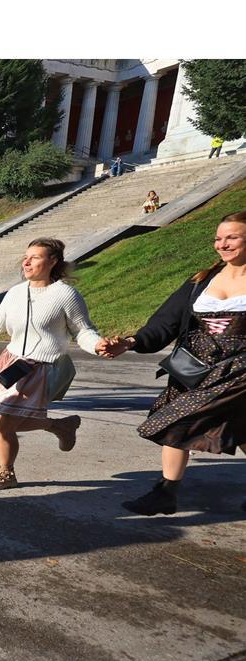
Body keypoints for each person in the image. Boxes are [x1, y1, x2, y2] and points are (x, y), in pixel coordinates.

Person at [97, 211, 246, 515]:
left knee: (178, 419)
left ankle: (166, 491)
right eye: (218, 238)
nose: (222, 244)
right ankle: (166, 492)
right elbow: (164, 323)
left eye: (232, 237)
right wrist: (131, 342)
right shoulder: (200, 281)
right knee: (236, 428)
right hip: (196, 369)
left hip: (240, 369)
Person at [0, 237, 102, 490]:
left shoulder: (65, 294)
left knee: (3, 422)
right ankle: (61, 426)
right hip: (11, 363)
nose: (26, 262)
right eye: (26, 256)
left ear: (53, 262)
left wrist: (97, 345)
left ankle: (6, 473)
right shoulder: (16, 293)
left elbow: (83, 330)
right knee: (1, 421)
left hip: (43, 366)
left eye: (35, 257)